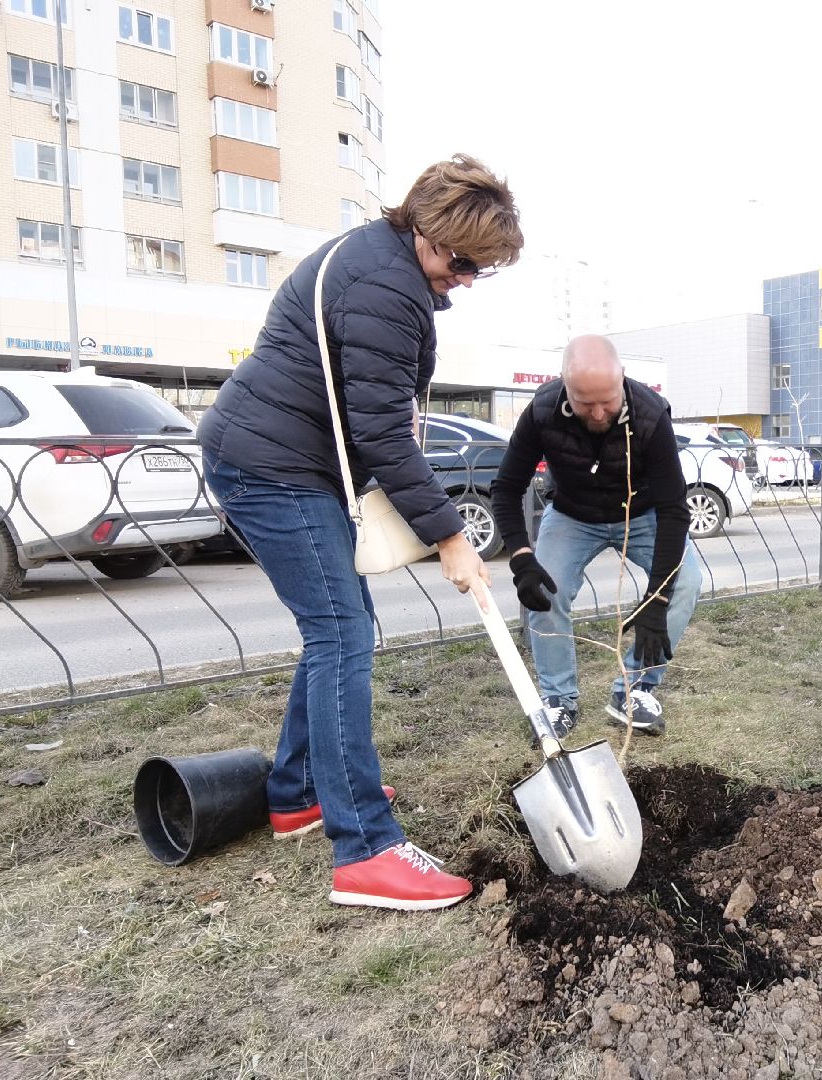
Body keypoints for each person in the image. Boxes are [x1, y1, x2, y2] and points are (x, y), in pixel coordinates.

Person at [197, 154, 524, 909]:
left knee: (340, 625)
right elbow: (381, 435)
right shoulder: (385, 285)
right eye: (463, 263)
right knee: (341, 631)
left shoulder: (384, 260)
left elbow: (374, 415)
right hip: (270, 465)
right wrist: (450, 536)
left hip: (284, 457)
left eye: (480, 270)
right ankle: (365, 848)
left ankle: (298, 791)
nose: (466, 280)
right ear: (430, 234)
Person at [490, 335, 702, 738]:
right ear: (565, 386)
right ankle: (558, 699)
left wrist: (656, 599)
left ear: (622, 378)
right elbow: (506, 488)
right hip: (572, 515)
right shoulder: (542, 411)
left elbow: (675, 509)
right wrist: (520, 557)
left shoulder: (650, 414)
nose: (600, 413)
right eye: (586, 404)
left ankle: (634, 690)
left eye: (608, 400)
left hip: (643, 513)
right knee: (546, 588)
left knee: (686, 581)